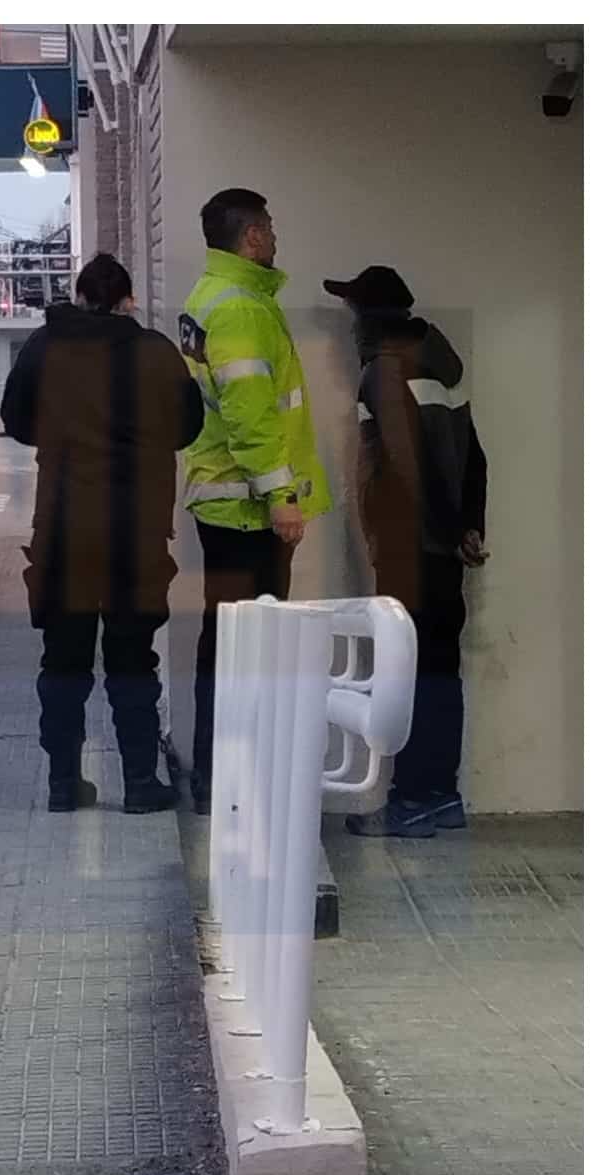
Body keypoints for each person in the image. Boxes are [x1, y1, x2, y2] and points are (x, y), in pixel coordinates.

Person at [3, 254, 204, 813]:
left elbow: (15, 420)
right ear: (128, 300)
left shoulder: (46, 347)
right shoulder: (155, 352)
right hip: (134, 533)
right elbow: (189, 427)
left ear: (81, 296)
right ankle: (140, 782)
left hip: (64, 533)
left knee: (63, 659)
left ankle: (63, 784)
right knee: (133, 658)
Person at [179, 188, 331, 813]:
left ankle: (220, 776)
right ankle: (232, 779)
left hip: (227, 502)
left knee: (227, 641)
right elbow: (250, 415)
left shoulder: (209, 297)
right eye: (269, 227)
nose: (274, 237)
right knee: (250, 648)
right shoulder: (241, 309)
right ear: (251, 237)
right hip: (248, 508)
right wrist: (282, 498)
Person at [324, 266, 489, 837]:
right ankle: (442, 795)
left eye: (353, 314)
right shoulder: (444, 366)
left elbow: (407, 466)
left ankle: (413, 800)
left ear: (369, 319)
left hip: (409, 547)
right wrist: (470, 528)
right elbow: (477, 456)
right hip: (443, 551)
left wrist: (443, 530)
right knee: (442, 669)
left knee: (409, 670)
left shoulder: (383, 372)